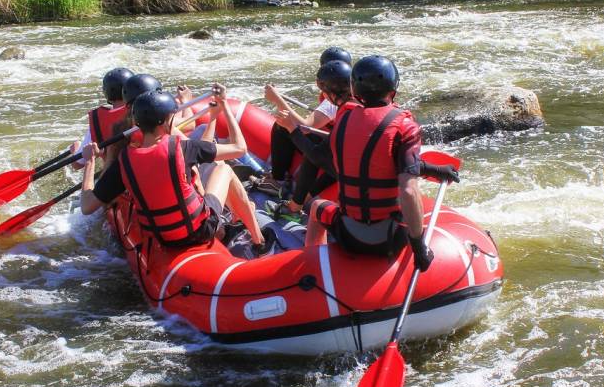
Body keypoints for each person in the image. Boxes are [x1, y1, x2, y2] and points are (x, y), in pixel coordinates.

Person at [79, 85, 276, 255]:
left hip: (163, 238)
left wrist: (89, 164)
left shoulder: (124, 161)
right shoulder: (183, 147)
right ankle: (260, 242)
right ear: (167, 121)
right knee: (223, 170)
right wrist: (224, 105)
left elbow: (87, 206)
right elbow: (239, 148)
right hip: (198, 231)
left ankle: (232, 224)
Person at [303, 55, 455, 272]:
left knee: (317, 205)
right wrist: (419, 248)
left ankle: (315, 269)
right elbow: (408, 190)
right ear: (393, 90)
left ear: (355, 90)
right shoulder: (405, 127)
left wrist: (434, 169)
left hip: (348, 234)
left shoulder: (343, 122)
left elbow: (372, 161)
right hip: (391, 240)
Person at [256, 47, 353, 203]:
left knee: (282, 127)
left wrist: (277, 100)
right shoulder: (350, 94)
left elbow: (303, 126)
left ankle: (277, 181)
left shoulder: (333, 102)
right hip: (339, 152)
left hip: (334, 156)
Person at [70, 67, 134, 170]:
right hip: (143, 170)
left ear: (107, 93)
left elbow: (77, 164)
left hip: (114, 176)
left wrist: (75, 150)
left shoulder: (98, 121)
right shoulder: (143, 111)